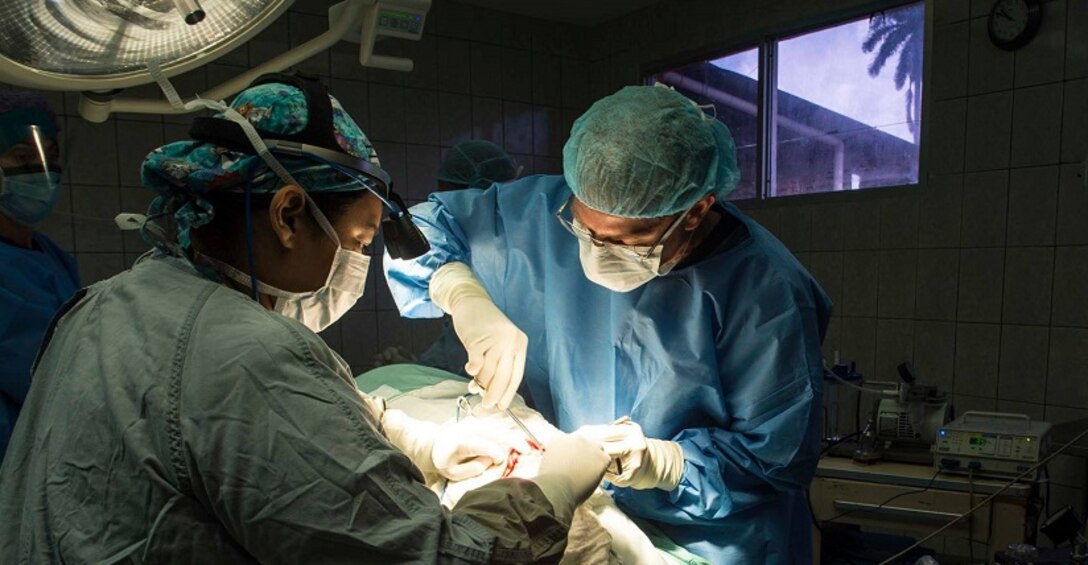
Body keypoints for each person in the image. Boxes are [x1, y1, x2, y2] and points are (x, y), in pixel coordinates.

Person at [0, 75, 608, 563]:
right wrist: (550, 488)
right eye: (362, 240)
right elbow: (443, 556)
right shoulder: (245, 349)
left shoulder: (107, 303)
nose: (359, 261)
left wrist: (420, 443)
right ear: (289, 215)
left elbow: (226, 436)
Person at [385, 85, 831, 563]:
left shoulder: (769, 294)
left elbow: (773, 460)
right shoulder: (538, 211)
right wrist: (461, 291)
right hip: (591, 515)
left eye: (629, 239)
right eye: (585, 229)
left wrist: (663, 463)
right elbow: (418, 226)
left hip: (708, 541)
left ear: (697, 210)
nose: (597, 251)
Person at [0, 91, 79, 462]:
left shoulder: (50, 254)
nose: (43, 167)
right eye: (22, 156)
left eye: (50, 154)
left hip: (58, 449)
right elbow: (39, 376)